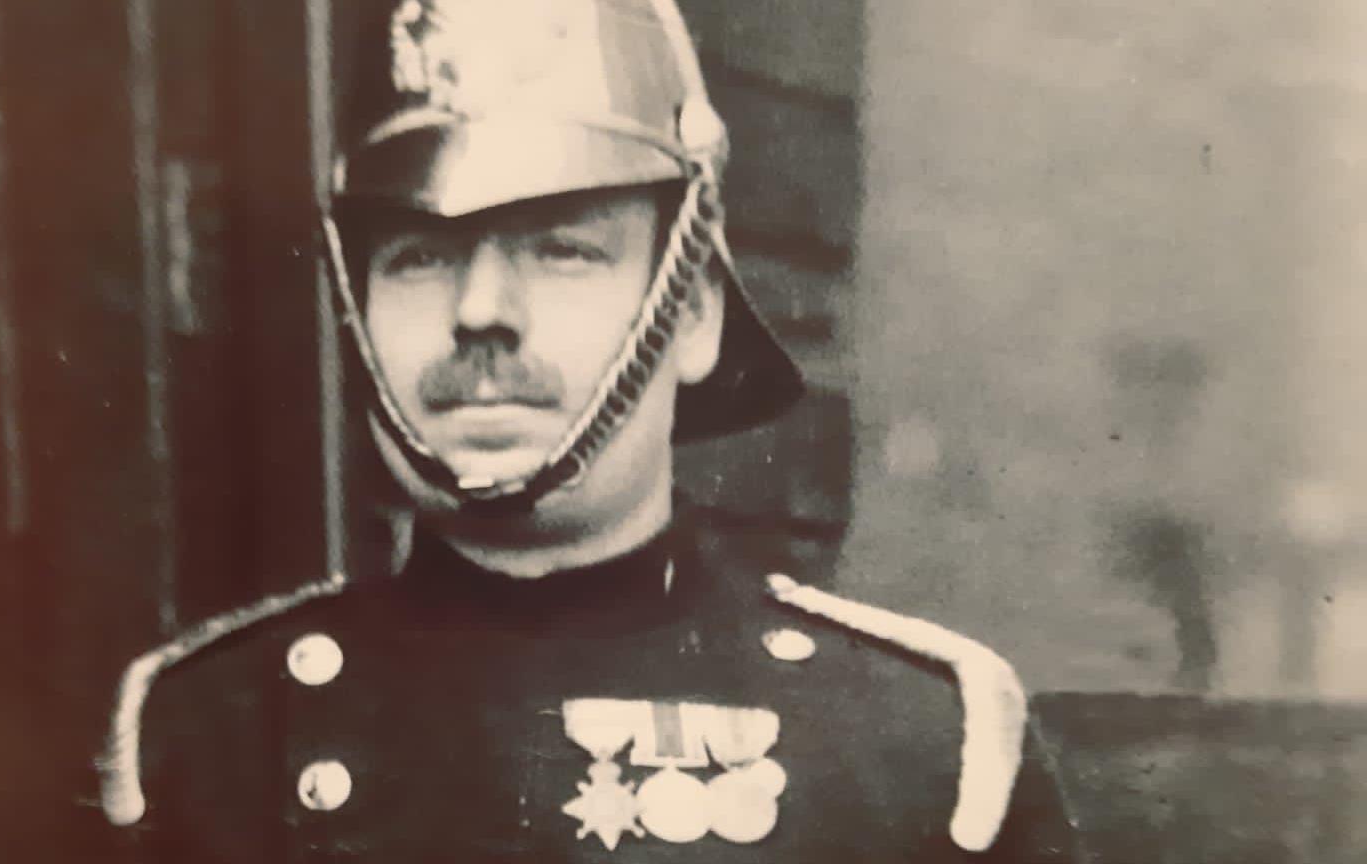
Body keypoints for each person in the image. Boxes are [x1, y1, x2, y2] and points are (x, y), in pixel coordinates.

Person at [94, 1, 1083, 860]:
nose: (482, 310)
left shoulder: (910, 746)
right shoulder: (203, 740)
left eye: (562, 250)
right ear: (355, 307)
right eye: (418, 258)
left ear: (690, 314)